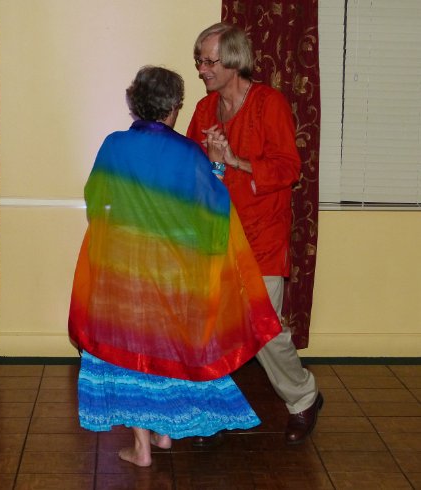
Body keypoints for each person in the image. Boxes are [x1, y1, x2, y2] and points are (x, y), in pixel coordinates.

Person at [68, 66, 282, 467]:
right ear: (173, 108)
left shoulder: (114, 146)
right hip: (173, 275)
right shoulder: (188, 154)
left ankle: (144, 445)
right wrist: (216, 165)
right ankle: (163, 434)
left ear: (135, 105)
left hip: (125, 270)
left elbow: (96, 199)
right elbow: (211, 212)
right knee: (165, 349)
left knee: (129, 353)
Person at [187, 23, 323, 446]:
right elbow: (197, 172)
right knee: (210, 327)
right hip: (216, 235)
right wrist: (210, 161)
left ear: (234, 61)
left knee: (265, 330)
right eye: (199, 61)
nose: (202, 70)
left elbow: (289, 169)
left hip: (261, 237)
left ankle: (304, 397)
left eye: (209, 61)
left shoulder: (269, 103)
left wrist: (237, 160)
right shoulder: (205, 110)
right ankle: (211, 410)